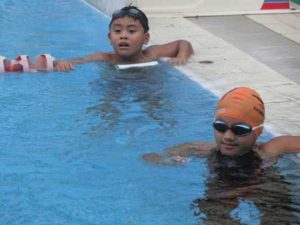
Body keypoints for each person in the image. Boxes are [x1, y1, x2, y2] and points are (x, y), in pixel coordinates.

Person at [142, 87, 300, 224]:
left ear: (258, 131)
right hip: (223, 191)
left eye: (240, 130)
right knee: (213, 214)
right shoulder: (201, 149)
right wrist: (167, 160)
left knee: (279, 212)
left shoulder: (272, 149)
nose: (228, 136)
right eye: (220, 127)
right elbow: (149, 157)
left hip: (263, 189)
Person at [54, 6, 194, 72]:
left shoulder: (151, 53)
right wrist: (60, 62)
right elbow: (78, 61)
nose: (123, 35)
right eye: (117, 31)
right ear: (110, 37)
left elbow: (183, 43)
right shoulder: (104, 57)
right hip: (115, 86)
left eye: (132, 31)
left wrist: (182, 56)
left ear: (146, 38)